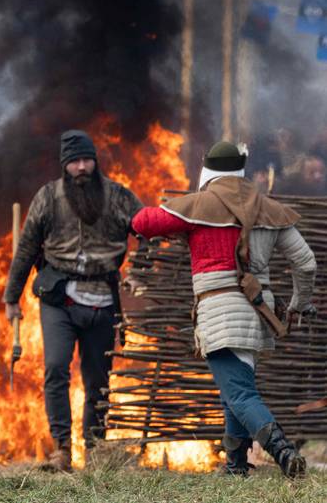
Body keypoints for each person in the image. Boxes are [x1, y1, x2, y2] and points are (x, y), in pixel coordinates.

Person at [132, 141, 315, 478]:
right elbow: (305, 263)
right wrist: (298, 304)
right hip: (259, 311)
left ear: (208, 169)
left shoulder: (198, 204)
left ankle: (283, 452)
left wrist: (131, 210)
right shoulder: (268, 207)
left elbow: (144, 222)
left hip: (219, 308)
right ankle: (235, 465)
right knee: (235, 388)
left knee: (239, 392)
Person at [3, 130, 142, 471]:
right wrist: (12, 297)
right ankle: (61, 448)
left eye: (86, 160)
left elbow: (148, 229)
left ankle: (94, 449)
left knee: (98, 378)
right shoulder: (48, 197)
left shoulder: (119, 196)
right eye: (75, 162)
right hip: (58, 298)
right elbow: (26, 249)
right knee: (55, 368)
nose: (82, 167)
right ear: (65, 166)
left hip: (102, 298)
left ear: (95, 161)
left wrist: (141, 268)